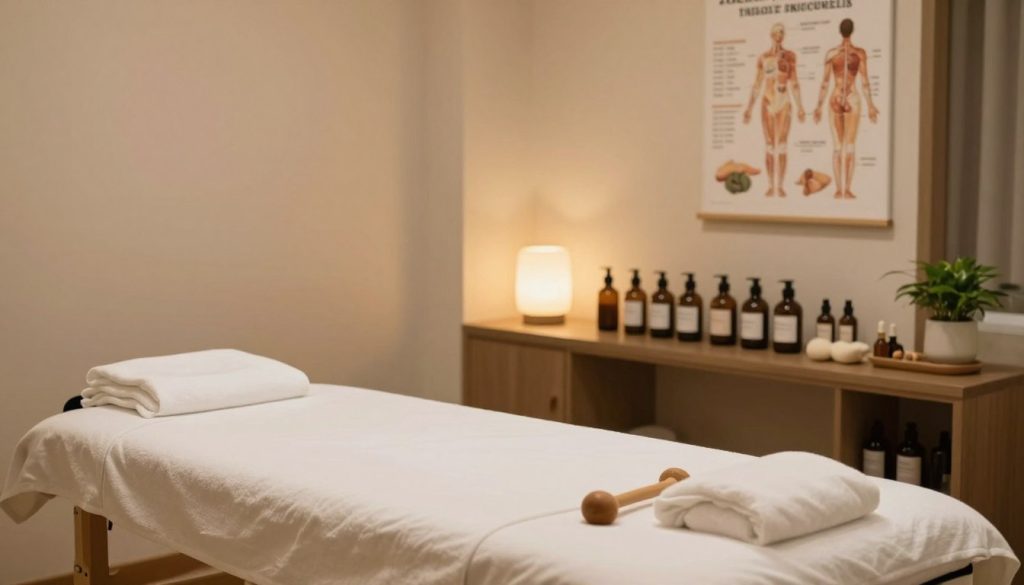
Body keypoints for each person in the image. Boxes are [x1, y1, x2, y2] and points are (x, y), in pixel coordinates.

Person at [813, 18, 880, 199]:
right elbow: (865, 82)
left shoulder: (832, 54)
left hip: (835, 97)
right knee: (849, 146)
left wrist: (819, 106)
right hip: (852, 97)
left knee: (838, 147)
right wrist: (870, 105)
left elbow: (825, 83)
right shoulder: (859, 53)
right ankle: (847, 189)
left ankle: (839, 189)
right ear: (852, 30)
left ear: (840, 31)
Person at [743, 23, 806, 197]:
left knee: (783, 145)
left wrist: (800, 107)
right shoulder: (763, 58)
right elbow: (757, 84)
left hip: (784, 102)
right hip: (768, 102)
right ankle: (771, 185)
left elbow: (794, 82)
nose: (779, 35)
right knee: (770, 145)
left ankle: (781, 185)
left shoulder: (790, 56)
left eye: (782, 33)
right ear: (771, 35)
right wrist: (749, 108)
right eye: (777, 33)